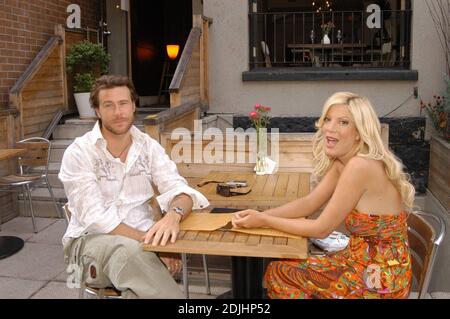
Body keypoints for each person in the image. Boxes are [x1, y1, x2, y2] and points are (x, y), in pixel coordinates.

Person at [232, 92, 414, 299]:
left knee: (281, 273)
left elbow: (321, 229)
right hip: (357, 260)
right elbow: (309, 203)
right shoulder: (344, 163)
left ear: (359, 132)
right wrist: (260, 216)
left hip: (380, 277)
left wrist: (264, 220)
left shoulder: (360, 166)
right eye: (328, 119)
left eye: (343, 122)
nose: (329, 128)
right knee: (282, 269)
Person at [59, 75, 209, 298]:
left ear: (133, 106)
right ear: (98, 111)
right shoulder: (79, 153)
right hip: (89, 245)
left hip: (143, 245)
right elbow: (97, 219)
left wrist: (173, 216)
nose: (118, 112)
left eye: (123, 103)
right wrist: (155, 245)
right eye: (109, 105)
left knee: (138, 284)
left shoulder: (148, 147)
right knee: (130, 253)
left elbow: (181, 191)